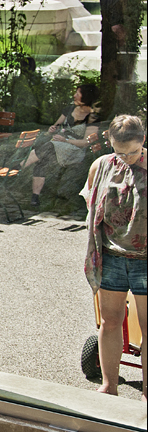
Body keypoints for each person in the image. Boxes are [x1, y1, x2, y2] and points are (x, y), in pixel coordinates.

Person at [81, 114, 146, 401]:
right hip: (111, 254)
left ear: (143, 140)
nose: (127, 158)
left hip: (145, 256)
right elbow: (90, 201)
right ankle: (109, 385)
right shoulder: (102, 165)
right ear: (110, 142)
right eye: (121, 152)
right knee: (109, 321)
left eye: (133, 151)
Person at [22, 84, 100, 207]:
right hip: (57, 145)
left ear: (86, 97)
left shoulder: (92, 117)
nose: (74, 95)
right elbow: (55, 127)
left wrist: (65, 141)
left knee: (50, 147)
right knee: (43, 160)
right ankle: (35, 197)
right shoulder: (69, 110)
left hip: (75, 150)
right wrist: (51, 130)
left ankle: (19, 166)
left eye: (78, 94)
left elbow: (86, 142)